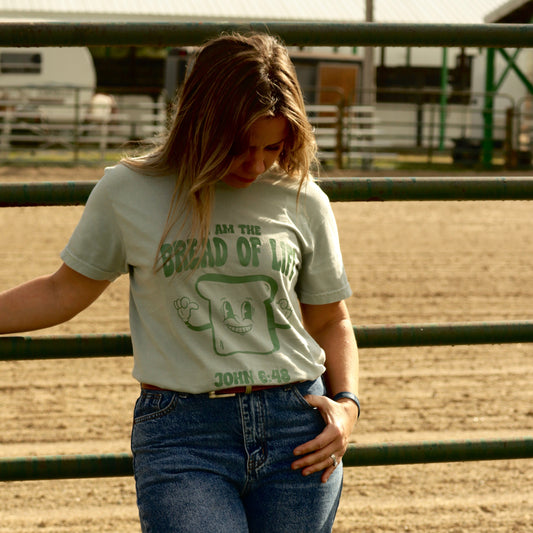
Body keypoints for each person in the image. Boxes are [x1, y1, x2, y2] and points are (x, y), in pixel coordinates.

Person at [0, 32, 359, 532]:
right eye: (238, 147)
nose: (255, 165)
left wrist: (347, 409)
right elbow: (63, 291)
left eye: (273, 147)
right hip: (184, 433)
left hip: (299, 427)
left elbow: (329, 318)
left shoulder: (304, 199)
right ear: (201, 123)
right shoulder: (129, 190)